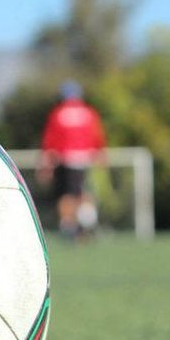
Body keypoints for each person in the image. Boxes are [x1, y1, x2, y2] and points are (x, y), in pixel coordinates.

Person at [38, 81, 107, 240]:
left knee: (67, 194)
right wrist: (101, 155)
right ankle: (87, 223)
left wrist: (46, 165)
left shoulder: (58, 113)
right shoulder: (89, 112)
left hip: (66, 160)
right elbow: (97, 137)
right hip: (87, 159)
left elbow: (50, 142)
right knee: (84, 192)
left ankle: (69, 227)